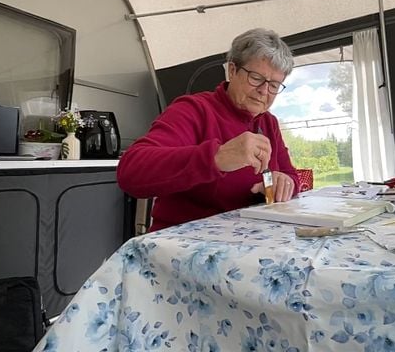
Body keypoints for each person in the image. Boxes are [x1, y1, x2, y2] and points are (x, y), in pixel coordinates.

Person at [118, 28, 300, 231]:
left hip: (246, 240)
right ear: (232, 71)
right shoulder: (194, 110)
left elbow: (291, 175)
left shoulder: (269, 123)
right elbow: (131, 172)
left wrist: (284, 183)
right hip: (184, 245)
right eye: (256, 78)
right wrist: (216, 157)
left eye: (274, 85)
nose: (264, 91)